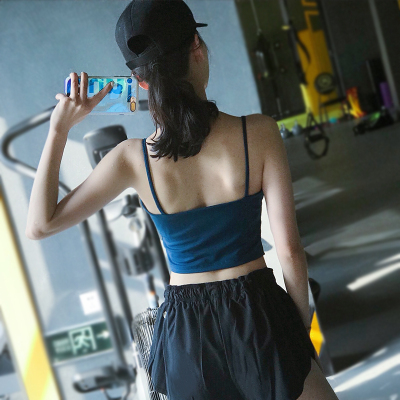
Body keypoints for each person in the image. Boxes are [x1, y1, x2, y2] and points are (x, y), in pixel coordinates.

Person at [25, 0, 338, 399]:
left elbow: (40, 225)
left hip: (187, 334)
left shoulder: (131, 159)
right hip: (258, 312)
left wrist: (58, 130)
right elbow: (290, 250)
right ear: (197, 48)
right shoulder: (259, 133)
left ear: (140, 82)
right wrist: (298, 331)